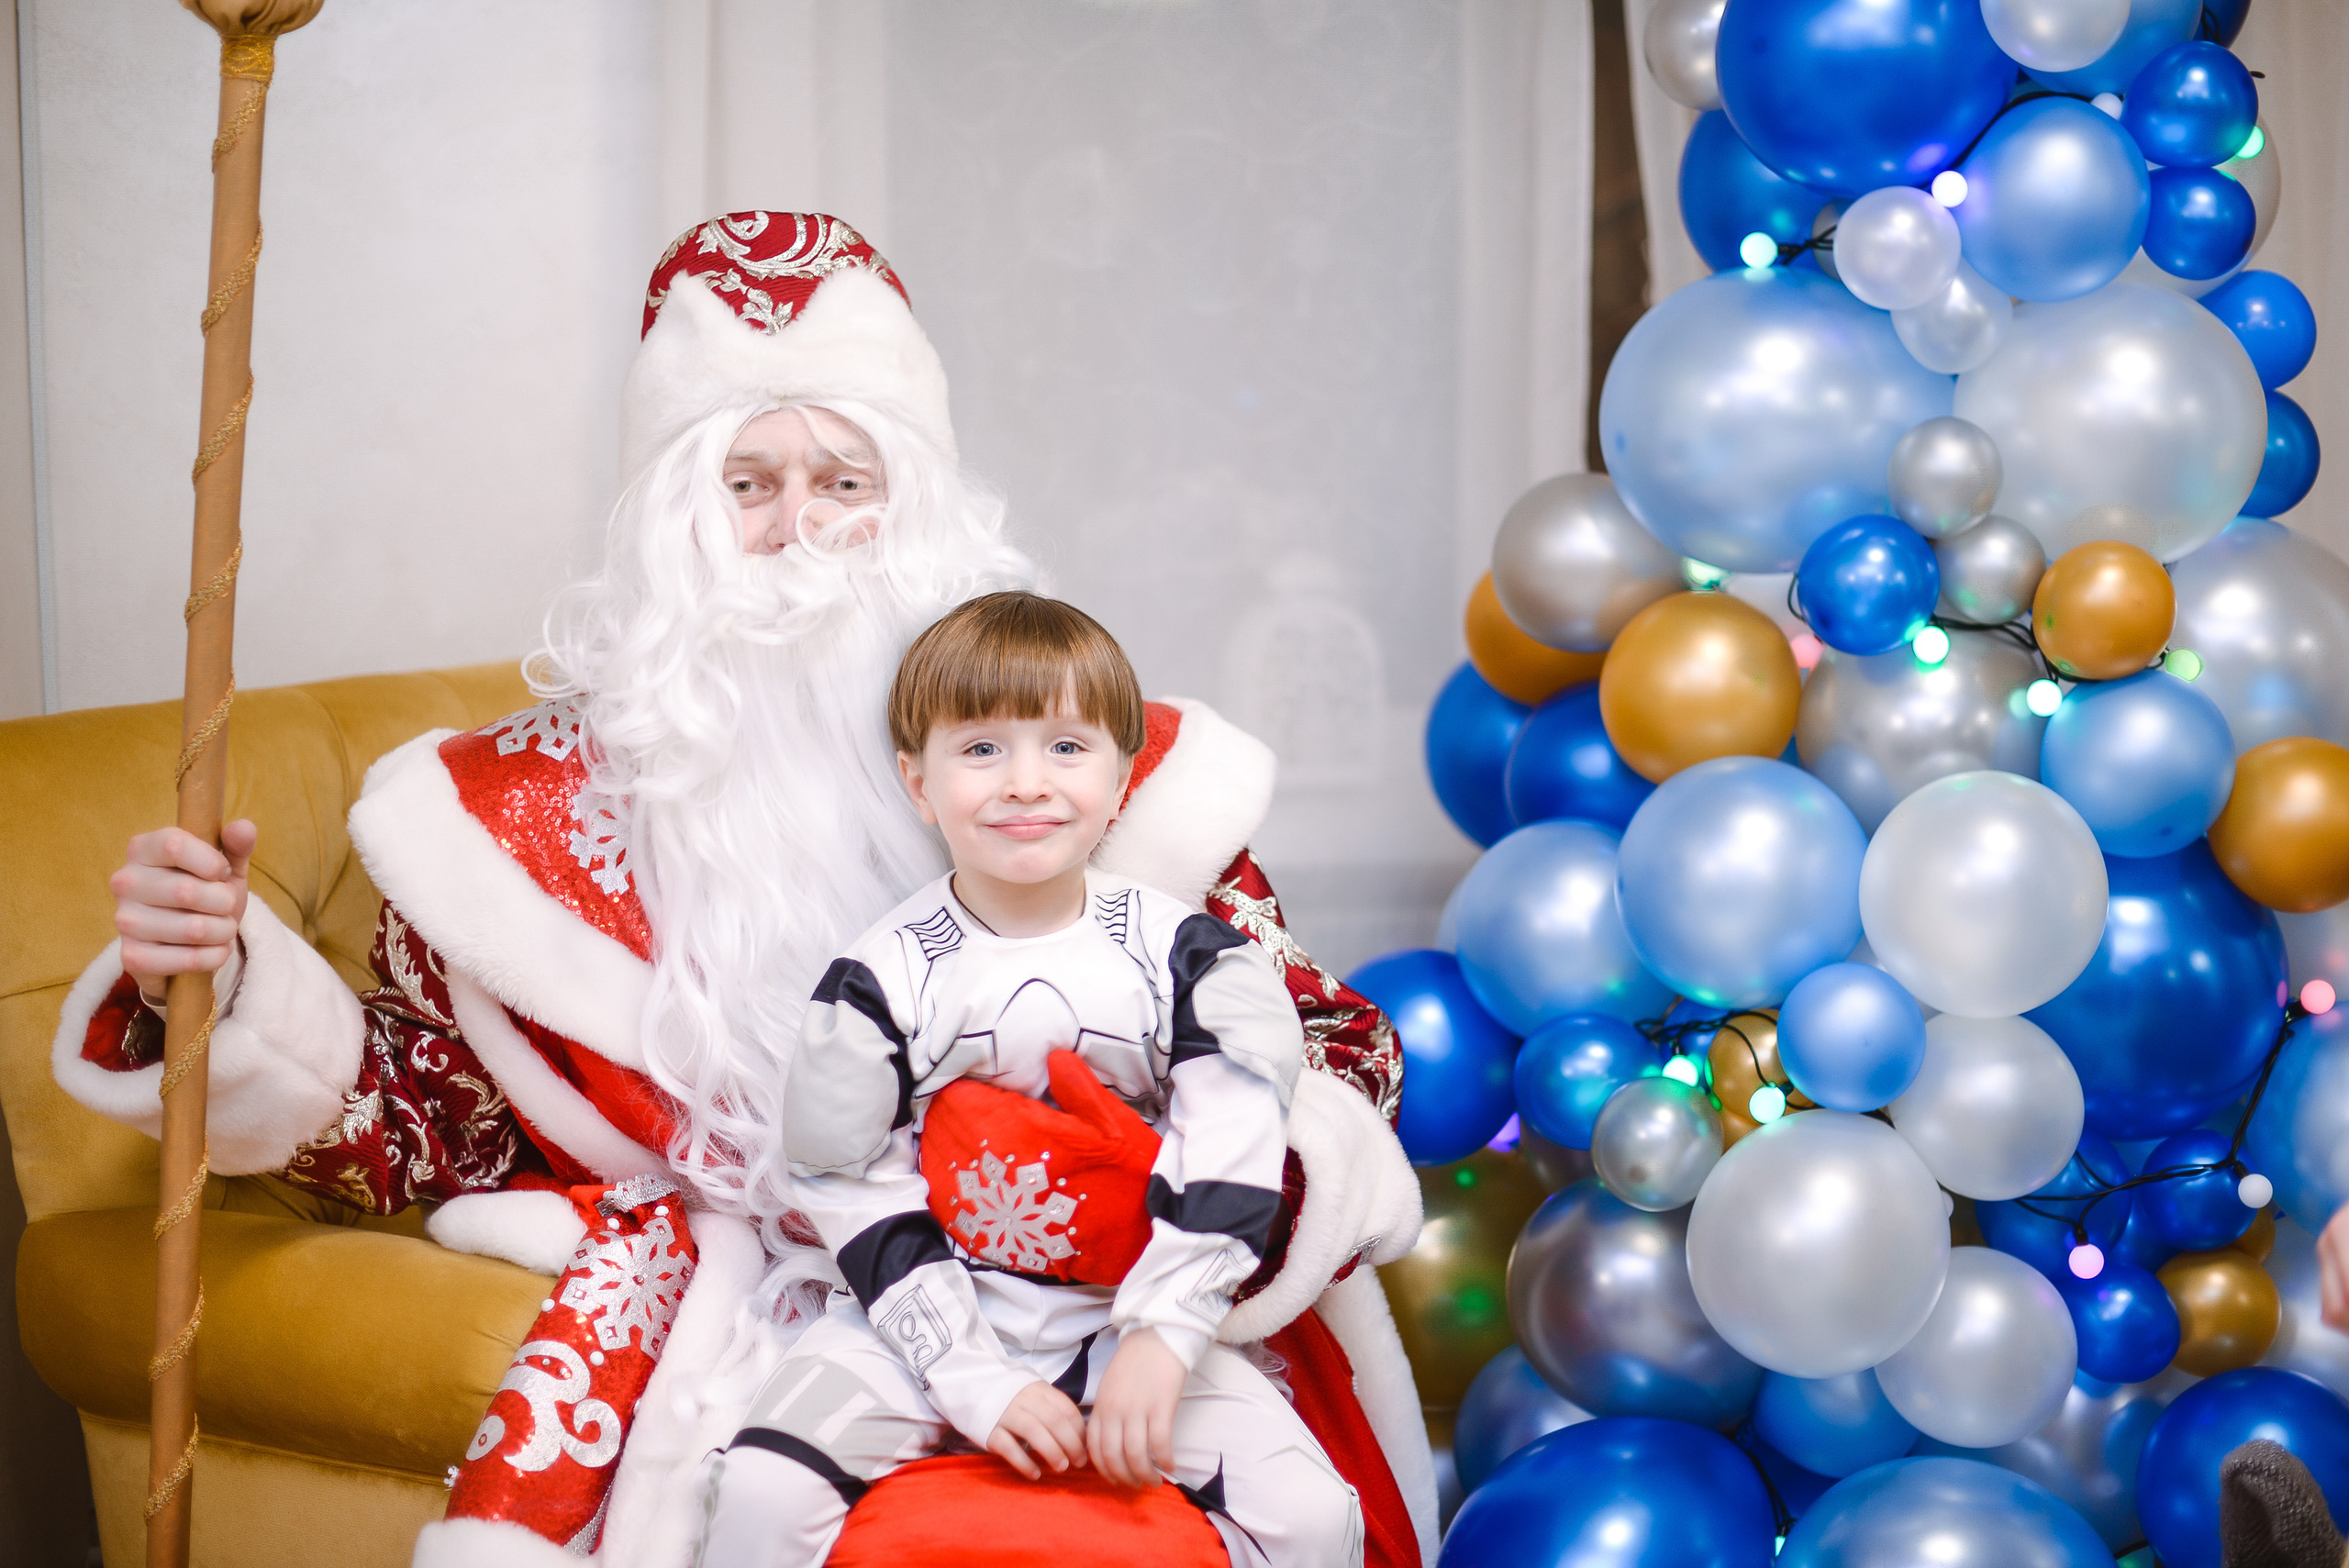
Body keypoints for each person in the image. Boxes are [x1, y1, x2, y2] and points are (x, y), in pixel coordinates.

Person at [57, 212, 1431, 1567]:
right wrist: (226, 986)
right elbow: (441, 1132)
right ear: (673, 520)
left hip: (1113, 1295)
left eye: (846, 483)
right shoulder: (507, 822)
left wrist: (1182, 1247)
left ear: (923, 507)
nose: (799, 535)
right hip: (775, 1307)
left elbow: (1330, 1046)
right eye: (747, 484)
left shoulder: (1096, 774)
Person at [700, 591, 1361, 1567]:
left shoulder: (1193, 958)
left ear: (1122, 773)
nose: (1025, 783)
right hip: (925, 1318)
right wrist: (969, 1374)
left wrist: (1162, 1336)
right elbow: (844, 1178)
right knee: (757, 1488)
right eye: (980, 749)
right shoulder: (876, 978)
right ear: (916, 781)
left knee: (1313, 1514)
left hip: (1124, 1310)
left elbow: (1233, 1142)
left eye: (1064, 746)